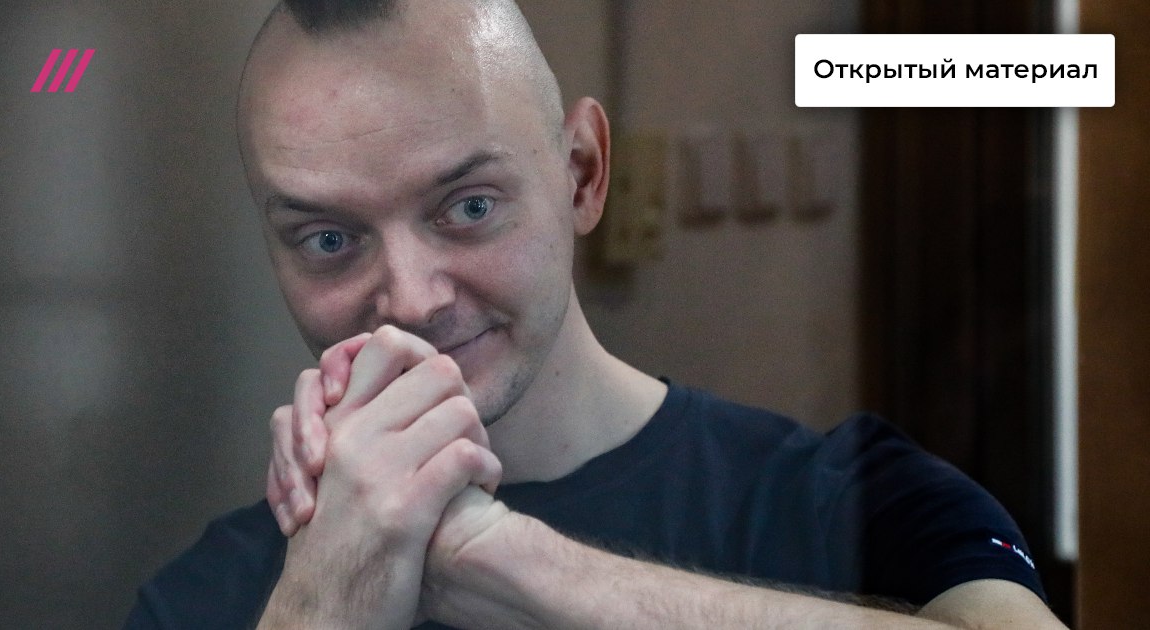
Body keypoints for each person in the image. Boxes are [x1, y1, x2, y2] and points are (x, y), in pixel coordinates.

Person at [126, 1, 1067, 628]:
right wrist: (323, 602)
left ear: (582, 173)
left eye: (469, 206)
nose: (410, 299)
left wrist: (503, 559)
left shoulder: (842, 502)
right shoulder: (219, 591)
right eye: (329, 238)